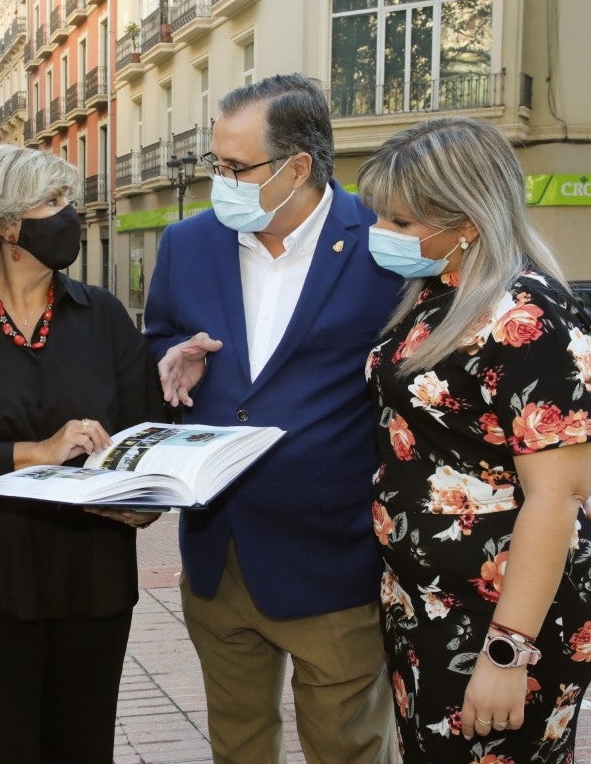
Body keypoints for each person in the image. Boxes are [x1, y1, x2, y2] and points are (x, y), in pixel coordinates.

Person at [143, 74, 402, 763]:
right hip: (219, 554)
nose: (218, 183)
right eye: (215, 165)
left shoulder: (386, 244)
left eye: (234, 168)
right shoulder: (187, 245)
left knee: (347, 748)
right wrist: (170, 358)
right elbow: (157, 343)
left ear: (297, 167)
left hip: (333, 557)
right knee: (239, 745)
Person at [0, 145, 165, 762]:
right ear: (10, 226)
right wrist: (34, 451)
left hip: (93, 582)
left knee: (84, 747)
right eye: (54, 202)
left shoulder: (104, 319)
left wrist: (145, 503)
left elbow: (146, 433)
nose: (70, 214)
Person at [360, 117, 591, 761]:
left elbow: (556, 500)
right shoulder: (439, 296)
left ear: (467, 220)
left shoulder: (527, 315)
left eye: (401, 221)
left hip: (506, 618)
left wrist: (506, 652)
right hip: (428, 606)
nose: (381, 235)